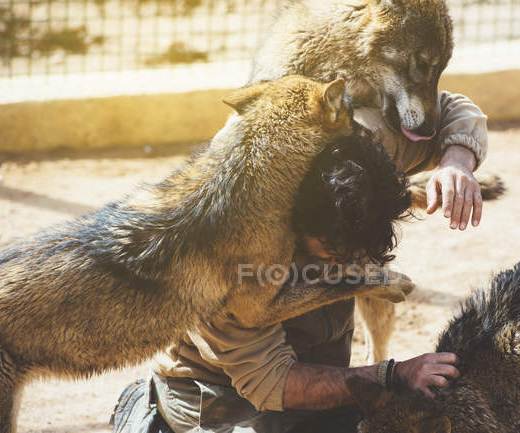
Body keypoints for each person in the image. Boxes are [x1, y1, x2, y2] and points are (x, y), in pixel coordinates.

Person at [112, 91, 488, 432]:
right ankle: (149, 413)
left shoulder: (356, 145)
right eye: (335, 255)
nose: (345, 269)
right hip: (218, 390)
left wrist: (455, 161)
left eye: (357, 257)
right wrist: (392, 374)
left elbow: (454, 108)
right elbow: (270, 383)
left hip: (317, 376)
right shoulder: (234, 255)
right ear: (295, 224)